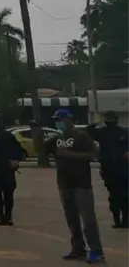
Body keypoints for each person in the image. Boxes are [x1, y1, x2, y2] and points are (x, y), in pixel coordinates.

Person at [45, 108, 105, 263]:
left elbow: (92, 155)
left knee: (88, 218)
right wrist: (36, 132)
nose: (59, 123)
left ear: (70, 120)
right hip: (64, 184)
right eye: (57, 120)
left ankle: (96, 250)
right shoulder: (56, 138)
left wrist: (69, 154)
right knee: (72, 219)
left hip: (81, 183)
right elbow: (43, 150)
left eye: (62, 119)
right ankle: (78, 248)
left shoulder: (81, 136)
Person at [86, 111, 129, 229]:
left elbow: (88, 130)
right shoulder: (102, 133)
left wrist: (96, 122)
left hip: (121, 168)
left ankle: (123, 221)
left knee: (121, 196)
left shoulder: (123, 132)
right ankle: (119, 221)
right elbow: (88, 132)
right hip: (112, 169)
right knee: (118, 196)